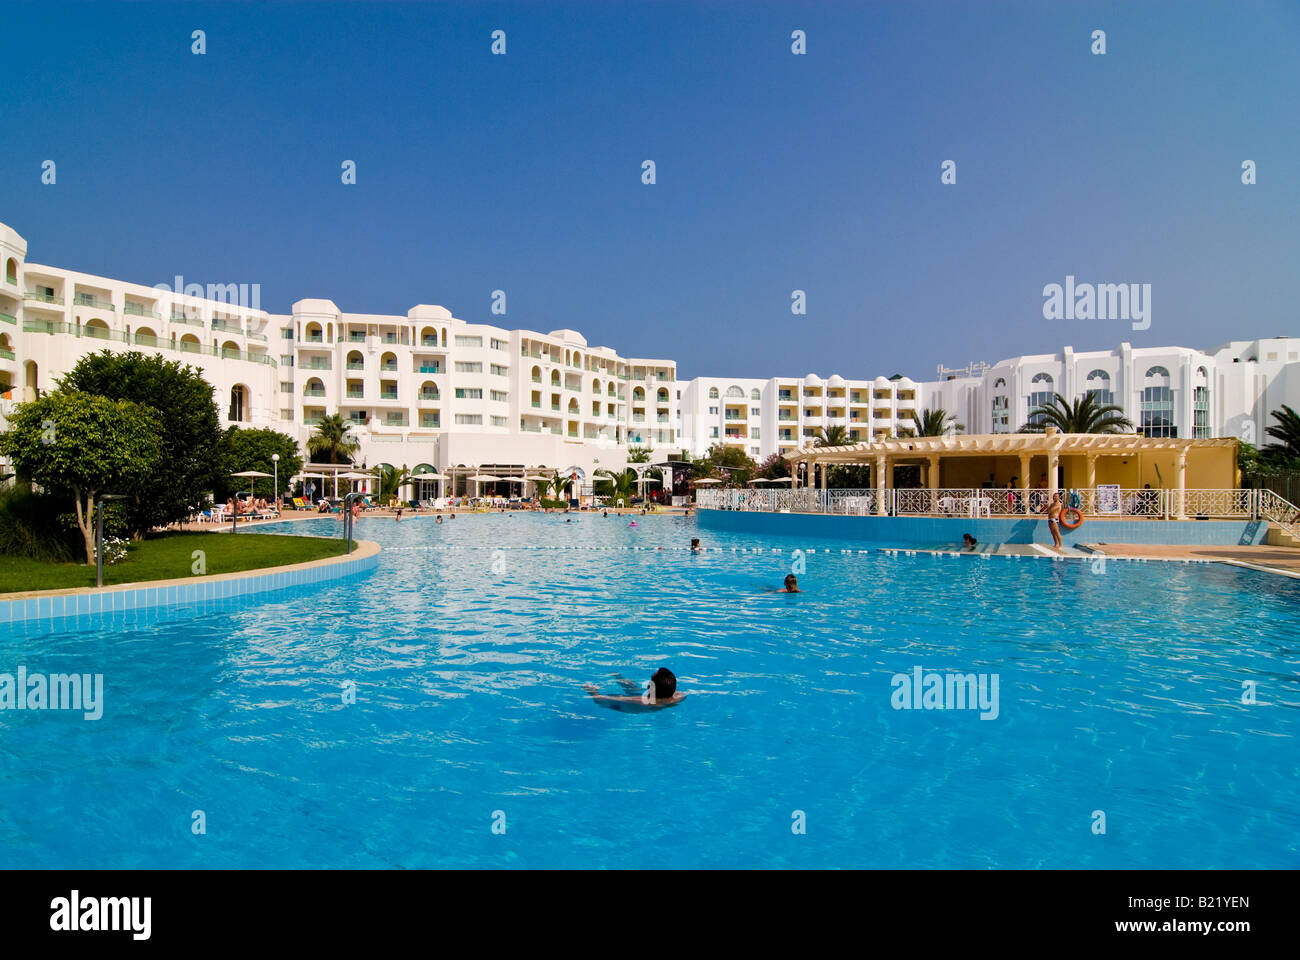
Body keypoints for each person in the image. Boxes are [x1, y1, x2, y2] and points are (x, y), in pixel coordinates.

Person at [583, 669, 687, 712]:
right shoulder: (680, 696)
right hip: (653, 700)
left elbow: (599, 699)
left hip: (627, 708)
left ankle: (619, 678)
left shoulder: (638, 701)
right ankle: (620, 678)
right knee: (634, 689)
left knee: (609, 700)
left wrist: (592, 691)